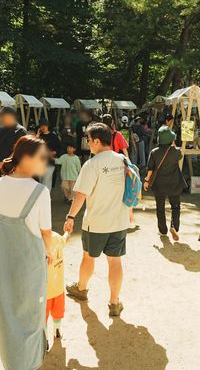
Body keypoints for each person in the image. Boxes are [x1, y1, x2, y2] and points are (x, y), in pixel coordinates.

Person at [0, 135, 52, 370]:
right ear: (27, 158)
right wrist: (50, 253)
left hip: (3, 264)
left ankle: (11, 364)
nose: (45, 162)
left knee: (7, 318)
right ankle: (29, 363)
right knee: (31, 317)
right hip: (31, 264)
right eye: (41, 158)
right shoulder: (40, 191)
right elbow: (46, 232)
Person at [64, 123, 129, 317]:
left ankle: (82, 289)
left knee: (88, 257)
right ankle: (114, 302)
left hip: (96, 223)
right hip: (119, 221)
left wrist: (70, 216)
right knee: (115, 261)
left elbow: (81, 195)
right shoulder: (123, 160)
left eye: (89, 140)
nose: (88, 143)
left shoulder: (92, 164)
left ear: (97, 141)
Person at [143, 127, 185, 241]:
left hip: (159, 184)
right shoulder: (176, 152)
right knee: (175, 206)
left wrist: (146, 181)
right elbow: (179, 154)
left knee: (160, 207)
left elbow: (150, 169)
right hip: (174, 183)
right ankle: (174, 226)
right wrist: (173, 143)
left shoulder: (154, 152)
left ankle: (162, 230)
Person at [0, 106, 27, 178]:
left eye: (2, 116)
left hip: (11, 170)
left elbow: (18, 151)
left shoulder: (20, 131)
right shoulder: (0, 130)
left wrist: (5, 163)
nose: (1, 118)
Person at [46, 231, 68, 340]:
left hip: (42, 293)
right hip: (58, 289)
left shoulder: (34, 242)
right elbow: (65, 239)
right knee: (57, 312)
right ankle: (57, 330)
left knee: (41, 319)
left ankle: (44, 338)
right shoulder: (56, 237)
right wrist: (68, 231)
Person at [37, 118, 61, 192]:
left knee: (47, 180)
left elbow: (59, 148)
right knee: (40, 181)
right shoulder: (39, 136)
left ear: (48, 126)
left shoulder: (54, 136)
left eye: (45, 125)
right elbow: (34, 146)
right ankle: (41, 197)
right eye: (41, 126)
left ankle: (47, 196)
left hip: (50, 161)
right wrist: (37, 135)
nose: (43, 127)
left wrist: (54, 152)